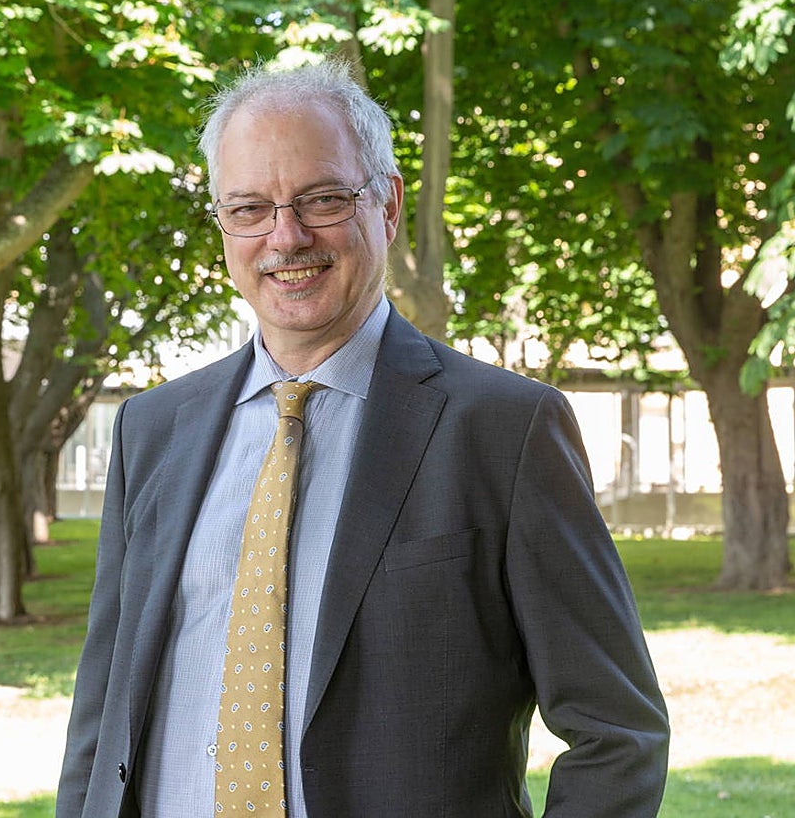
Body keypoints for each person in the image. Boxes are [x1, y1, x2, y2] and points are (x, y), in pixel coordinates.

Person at [56, 59, 669, 818]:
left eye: (321, 199)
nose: (286, 236)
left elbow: (618, 731)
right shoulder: (152, 430)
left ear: (387, 203)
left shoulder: (502, 429)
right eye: (249, 208)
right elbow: (101, 719)